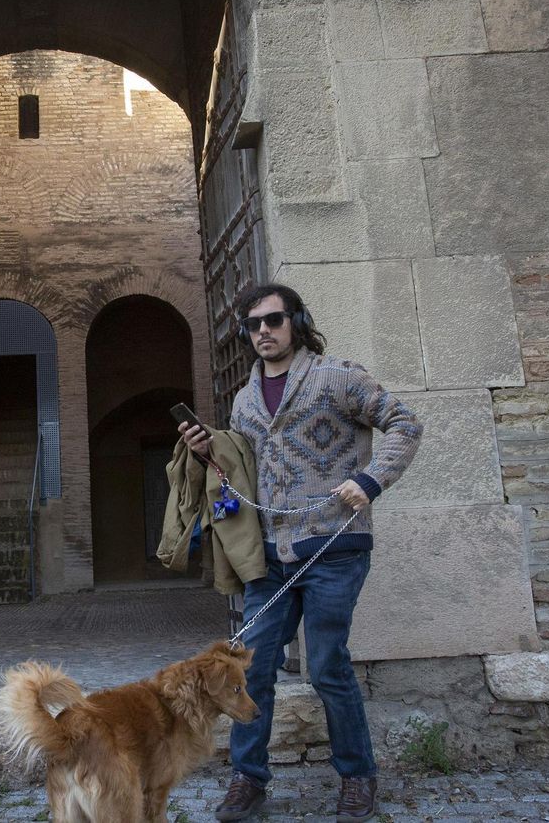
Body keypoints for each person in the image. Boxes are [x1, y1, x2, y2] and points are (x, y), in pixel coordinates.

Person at [179, 284, 421, 823]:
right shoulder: (243, 400)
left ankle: (358, 779)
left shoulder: (339, 376)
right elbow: (243, 471)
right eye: (253, 325)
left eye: (273, 319)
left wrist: (371, 479)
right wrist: (209, 452)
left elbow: (406, 424)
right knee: (251, 669)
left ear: (296, 321)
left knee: (329, 666)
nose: (263, 331)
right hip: (271, 554)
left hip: (335, 546)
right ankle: (248, 780)